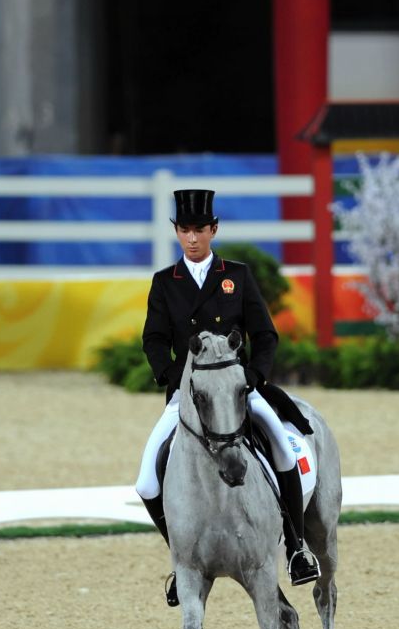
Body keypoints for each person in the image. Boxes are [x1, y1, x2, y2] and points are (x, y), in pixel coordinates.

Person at [135, 188, 320, 606]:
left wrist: (253, 376)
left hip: (238, 389)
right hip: (189, 396)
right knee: (146, 478)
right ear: (177, 233)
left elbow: (266, 334)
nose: (193, 238)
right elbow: (154, 338)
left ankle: (295, 546)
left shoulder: (236, 275)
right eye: (185, 230)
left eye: (200, 229)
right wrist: (171, 377)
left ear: (213, 229)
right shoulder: (166, 282)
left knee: (282, 448)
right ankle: (180, 556)